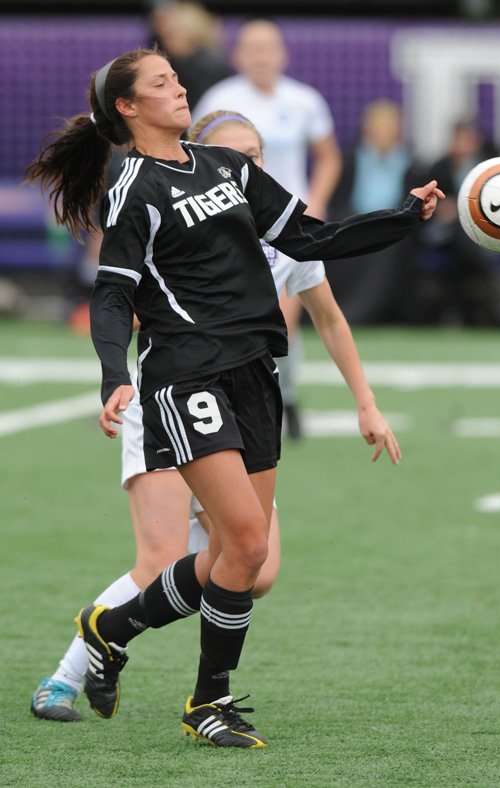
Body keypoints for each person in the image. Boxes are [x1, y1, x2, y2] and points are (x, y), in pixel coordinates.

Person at [25, 47, 442, 747]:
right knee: (245, 542)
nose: (178, 87)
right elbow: (111, 296)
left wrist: (404, 216)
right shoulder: (132, 186)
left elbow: (311, 237)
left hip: (256, 372)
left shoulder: (229, 168)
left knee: (243, 560)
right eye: (161, 83)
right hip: (187, 374)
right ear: (128, 108)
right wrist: (112, 376)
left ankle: (112, 627)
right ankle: (206, 704)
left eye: (176, 77)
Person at [193, 18, 343, 437]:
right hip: (231, 226)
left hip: (285, 227)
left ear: (283, 53)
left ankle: (286, 397)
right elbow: (195, 158)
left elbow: (328, 156)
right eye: (252, 48)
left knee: (284, 321)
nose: (261, 56)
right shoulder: (219, 99)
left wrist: (315, 202)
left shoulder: (304, 100)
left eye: (269, 47)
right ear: (237, 54)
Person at [327, 99, 426, 324]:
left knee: (385, 245)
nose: (383, 132)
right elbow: (338, 199)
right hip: (352, 224)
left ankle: (366, 312)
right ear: (367, 129)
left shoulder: (412, 163)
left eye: (389, 126)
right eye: (378, 126)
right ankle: (342, 310)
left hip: (394, 229)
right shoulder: (349, 159)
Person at [420, 120, 500, 327]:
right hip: (445, 232)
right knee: (459, 234)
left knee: (464, 237)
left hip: (483, 231)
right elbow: (427, 201)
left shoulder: (491, 168)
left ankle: (463, 309)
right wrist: (440, 209)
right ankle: (494, 283)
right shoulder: (440, 168)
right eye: (459, 139)